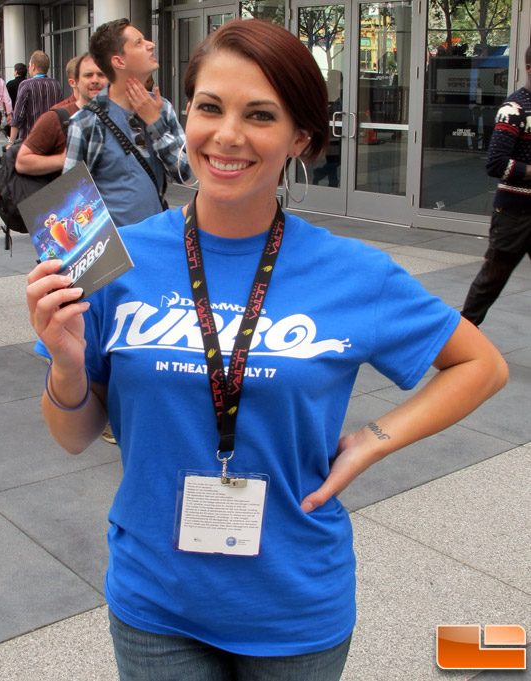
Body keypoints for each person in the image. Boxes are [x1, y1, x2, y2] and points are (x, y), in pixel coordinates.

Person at [26, 19, 508, 681]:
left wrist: (373, 437)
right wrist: (67, 361)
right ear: (183, 113)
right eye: (209, 107)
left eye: (260, 114)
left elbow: (482, 364)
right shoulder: (113, 259)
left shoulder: (352, 271)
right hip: (155, 601)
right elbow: (76, 435)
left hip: (295, 607)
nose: (227, 136)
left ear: (300, 137)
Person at [63, 18, 189, 227]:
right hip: (116, 248)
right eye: (138, 43)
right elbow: (70, 199)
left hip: (156, 237)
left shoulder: (162, 108)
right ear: (119, 62)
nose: (151, 44)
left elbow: (185, 173)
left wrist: (155, 123)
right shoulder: (86, 121)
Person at [462, 45, 531, 326]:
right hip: (514, 214)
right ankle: (461, 337)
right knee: (491, 280)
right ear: (529, 69)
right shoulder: (513, 109)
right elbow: (496, 164)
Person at [15, 54, 107, 176]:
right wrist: (64, 159)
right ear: (74, 82)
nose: (95, 80)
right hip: (70, 190)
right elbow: (22, 162)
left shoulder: (119, 115)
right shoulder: (57, 117)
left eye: (101, 74)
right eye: (88, 75)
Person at [8, 50, 63, 143]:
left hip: (30, 140)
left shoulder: (26, 85)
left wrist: (11, 142)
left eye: (29, 65)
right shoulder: (56, 85)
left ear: (33, 67)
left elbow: (18, 116)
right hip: (51, 140)